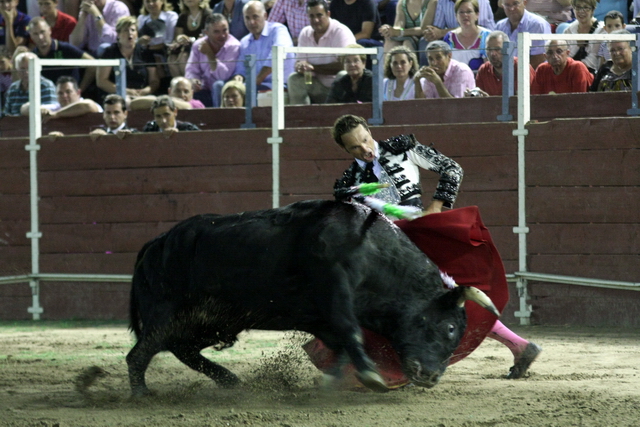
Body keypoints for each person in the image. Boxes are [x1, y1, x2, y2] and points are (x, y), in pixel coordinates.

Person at [331, 113, 542, 379]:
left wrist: (437, 205)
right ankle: (518, 346)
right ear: (345, 149)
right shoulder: (349, 181)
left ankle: (518, 345)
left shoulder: (402, 149)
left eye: (365, 139)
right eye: (355, 147)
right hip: (385, 251)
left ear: (370, 132)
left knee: (446, 299)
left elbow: (452, 168)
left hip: (420, 237)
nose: (364, 148)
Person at [288, 0, 356, 105]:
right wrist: (300, 67)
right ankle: (301, 118)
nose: (315, 20)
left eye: (319, 15)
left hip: (339, 88)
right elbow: (299, 62)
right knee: (294, 79)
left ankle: (340, 115)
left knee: (343, 75)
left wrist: (314, 68)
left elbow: (345, 66)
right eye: (311, 16)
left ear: (328, 14)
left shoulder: (341, 32)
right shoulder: (305, 33)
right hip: (316, 86)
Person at [232, 1, 294, 90]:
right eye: (247, 18)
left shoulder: (278, 30)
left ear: (265, 16)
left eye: (255, 17)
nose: (251, 22)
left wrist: (258, 79)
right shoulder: (244, 42)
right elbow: (241, 68)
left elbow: (277, 55)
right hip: (255, 87)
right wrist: (239, 77)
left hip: (280, 87)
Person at [185, 13, 240, 107]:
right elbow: (190, 70)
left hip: (224, 90)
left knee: (218, 85)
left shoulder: (234, 46)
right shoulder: (198, 45)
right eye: (216, 32)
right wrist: (193, 80)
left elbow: (223, 76)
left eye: (225, 30)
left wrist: (210, 55)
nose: (222, 35)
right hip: (204, 88)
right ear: (206, 33)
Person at [29, 17, 97, 94]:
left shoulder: (65, 48)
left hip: (69, 97)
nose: (40, 37)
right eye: (35, 34)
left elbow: (93, 64)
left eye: (42, 32)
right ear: (31, 36)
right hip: (46, 98)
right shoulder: (32, 56)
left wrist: (80, 89)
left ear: (49, 31)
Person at [97, 16, 160, 99]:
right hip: (117, 96)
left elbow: (154, 80)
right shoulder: (109, 52)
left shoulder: (145, 52)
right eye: (126, 30)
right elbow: (102, 81)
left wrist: (146, 91)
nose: (130, 33)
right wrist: (125, 91)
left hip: (141, 96)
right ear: (118, 34)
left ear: (137, 34)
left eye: (133, 30)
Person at [470, 30, 535, 96]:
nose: (493, 54)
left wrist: (489, 101)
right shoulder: (483, 70)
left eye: (497, 49)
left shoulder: (522, 67)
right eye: (489, 49)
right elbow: (479, 101)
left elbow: (530, 100)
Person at [494, 0, 551, 69]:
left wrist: (516, 73)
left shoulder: (538, 24)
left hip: (534, 75)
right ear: (503, 6)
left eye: (515, 4)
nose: (511, 8)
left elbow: (540, 57)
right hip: (506, 74)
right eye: (507, 5)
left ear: (524, 3)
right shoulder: (499, 26)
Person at [20, 75, 102, 119]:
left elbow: (88, 106)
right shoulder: (55, 107)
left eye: (68, 92)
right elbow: (24, 108)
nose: (64, 96)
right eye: (60, 93)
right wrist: (40, 110)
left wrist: (57, 114)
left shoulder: (85, 103)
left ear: (78, 93)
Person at [442, 0, 491, 72]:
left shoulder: (487, 36)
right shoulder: (449, 37)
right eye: (461, 12)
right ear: (456, 16)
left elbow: (490, 68)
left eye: (469, 11)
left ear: (477, 15)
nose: (465, 15)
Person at [3, 51, 56, 116]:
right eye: (22, 69)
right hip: (15, 125)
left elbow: (49, 112)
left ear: (39, 68)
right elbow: (6, 115)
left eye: (30, 68)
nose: (26, 72)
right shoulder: (13, 88)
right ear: (17, 70)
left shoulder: (46, 86)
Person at [168, 0, 212, 77]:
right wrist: (181, 38)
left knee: (184, 57)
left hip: (202, 46)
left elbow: (210, 34)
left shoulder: (208, 14)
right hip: (185, 46)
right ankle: (179, 85)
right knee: (171, 59)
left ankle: (189, 84)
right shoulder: (182, 16)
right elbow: (178, 36)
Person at [562, 0, 605, 74]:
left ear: (593, 10)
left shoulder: (601, 30)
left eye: (586, 7)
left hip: (591, 74)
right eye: (578, 7)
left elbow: (593, 60)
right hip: (568, 72)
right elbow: (564, 56)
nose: (581, 11)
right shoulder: (568, 31)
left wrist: (574, 69)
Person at [129, 75, 206, 109]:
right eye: (177, 91)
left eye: (186, 92)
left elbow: (186, 106)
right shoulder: (163, 100)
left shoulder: (197, 104)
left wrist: (163, 101)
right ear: (169, 91)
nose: (182, 95)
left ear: (192, 93)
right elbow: (134, 104)